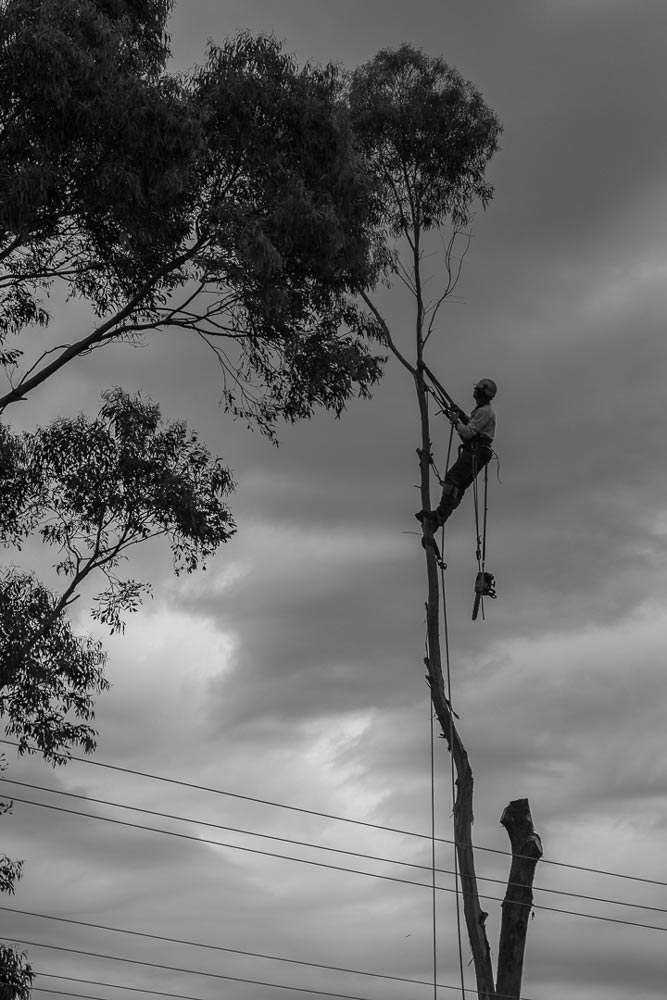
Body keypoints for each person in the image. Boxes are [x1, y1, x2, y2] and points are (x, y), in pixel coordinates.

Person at [417, 378, 497, 528]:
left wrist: (456, 422)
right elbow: (474, 425)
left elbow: (468, 432)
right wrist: (460, 415)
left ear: (481, 393)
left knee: (452, 478)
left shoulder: (485, 412)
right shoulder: (482, 411)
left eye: (477, 390)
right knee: (458, 486)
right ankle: (441, 517)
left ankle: (440, 514)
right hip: (479, 452)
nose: (474, 392)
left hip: (476, 452)